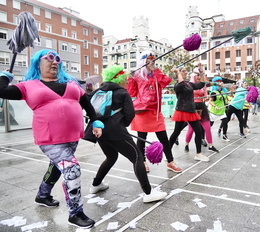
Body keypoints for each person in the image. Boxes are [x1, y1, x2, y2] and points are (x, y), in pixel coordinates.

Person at [0, 49, 103, 229]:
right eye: (48, 58)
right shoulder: (28, 85)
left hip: (72, 136)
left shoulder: (70, 82)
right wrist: (4, 78)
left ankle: (43, 195)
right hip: (49, 138)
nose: (54, 61)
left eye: (57, 58)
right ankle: (75, 213)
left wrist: (95, 121)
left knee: (57, 166)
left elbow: (86, 102)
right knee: (71, 169)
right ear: (37, 63)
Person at [84, 65, 168, 203]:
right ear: (119, 79)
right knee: (137, 158)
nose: (127, 81)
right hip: (116, 130)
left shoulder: (98, 91)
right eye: (125, 79)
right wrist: (121, 125)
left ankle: (96, 184)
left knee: (111, 156)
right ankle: (148, 193)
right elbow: (130, 114)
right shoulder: (122, 93)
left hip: (98, 130)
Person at [127, 51, 182, 173]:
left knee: (163, 137)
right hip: (142, 111)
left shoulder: (156, 74)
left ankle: (170, 161)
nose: (152, 61)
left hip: (155, 112)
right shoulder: (137, 75)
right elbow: (131, 93)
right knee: (142, 138)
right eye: (149, 59)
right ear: (143, 61)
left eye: (153, 59)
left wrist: (155, 70)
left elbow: (166, 81)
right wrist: (130, 79)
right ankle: (142, 162)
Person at [169, 66, 210, 162]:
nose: (185, 72)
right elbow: (181, 84)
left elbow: (201, 84)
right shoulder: (178, 85)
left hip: (191, 110)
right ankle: (167, 152)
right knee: (176, 133)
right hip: (182, 110)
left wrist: (201, 73)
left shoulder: (189, 84)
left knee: (199, 131)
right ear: (178, 74)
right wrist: (178, 71)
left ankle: (198, 154)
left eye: (185, 71)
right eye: (183, 71)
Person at [184, 66, 219, 153]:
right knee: (191, 129)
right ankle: (186, 144)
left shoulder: (203, 85)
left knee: (207, 127)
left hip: (202, 107)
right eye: (197, 75)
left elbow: (206, 93)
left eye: (200, 75)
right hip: (193, 107)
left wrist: (207, 96)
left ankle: (211, 145)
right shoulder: (189, 85)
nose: (199, 77)